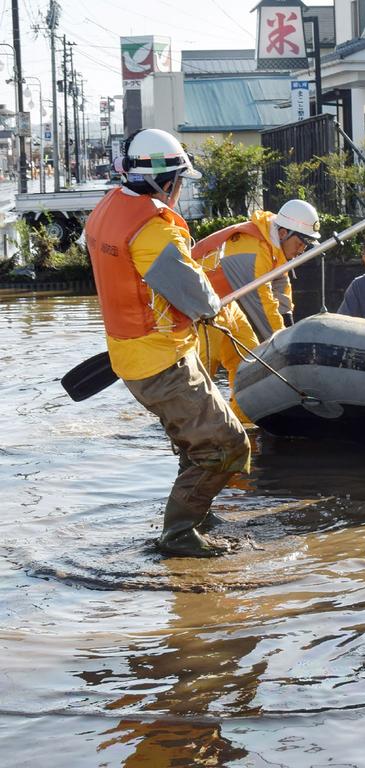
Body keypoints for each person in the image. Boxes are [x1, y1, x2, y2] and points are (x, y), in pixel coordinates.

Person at [84, 128, 251, 557]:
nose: (177, 192)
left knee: (193, 441)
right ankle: (179, 533)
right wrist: (212, 304)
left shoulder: (107, 210)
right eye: (178, 183)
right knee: (228, 446)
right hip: (163, 362)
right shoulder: (153, 231)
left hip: (133, 356)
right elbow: (197, 298)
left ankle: (199, 508)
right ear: (166, 181)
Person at [191, 199, 321, 421]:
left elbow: (280, 282)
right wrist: (285, 345)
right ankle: (188, 423)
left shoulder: (273, 240)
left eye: (307, 244)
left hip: (225, 303)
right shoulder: (251, 250)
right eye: (301, 243)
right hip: (199, 308)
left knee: (249, 361)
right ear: (283, 233)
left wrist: (288, 321)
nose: (303, 249)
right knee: (203, 369)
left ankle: (242, 419)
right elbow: (262, 303)